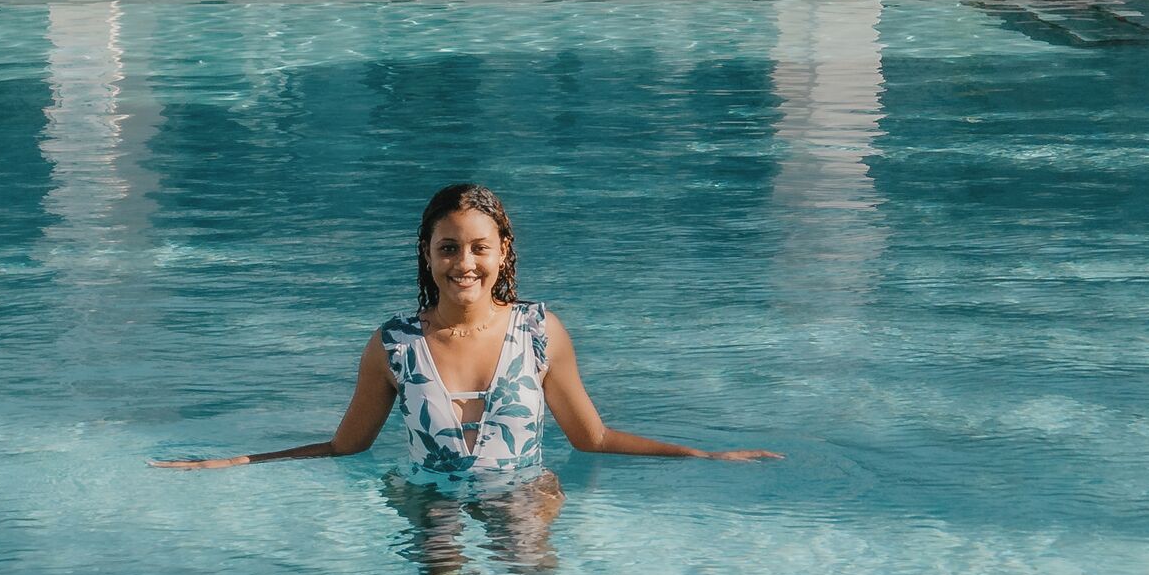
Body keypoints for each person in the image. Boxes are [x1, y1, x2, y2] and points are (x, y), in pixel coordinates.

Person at [160, 181, 777, 478]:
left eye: (478, 248)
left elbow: (592, 437)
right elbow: (347, 446)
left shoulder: (540, 332)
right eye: (448, 248)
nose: (464, 263)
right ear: (427, 255)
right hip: (428, 506)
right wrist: (238, 460)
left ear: (504, 252)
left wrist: (703, 454)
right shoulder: (394, 345)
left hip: (525, 496)